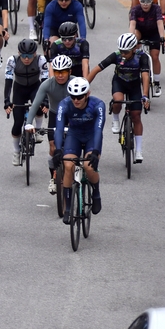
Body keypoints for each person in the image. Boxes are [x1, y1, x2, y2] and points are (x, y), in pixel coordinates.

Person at [87, 33, 150, 162]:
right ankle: (115, 118)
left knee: (136, 115)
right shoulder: (116, 56)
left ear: (134, 49)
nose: (122, 54)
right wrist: (84, 87)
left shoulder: (141, 57)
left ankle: (138, 150)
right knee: (117, 100)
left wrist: (145, 95)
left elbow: (145, 76)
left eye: (126, 52)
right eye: (121, 51)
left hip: (134, 85)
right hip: (119, 82)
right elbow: (96, 69)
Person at [54, 77, 104, 223]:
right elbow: (58, 129)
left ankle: (96, 192)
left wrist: (95, 151)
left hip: (91, 137)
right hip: (74, 135)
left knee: (89, 166)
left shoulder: (97, 105)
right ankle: (68, 208)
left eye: (80, 97)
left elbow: (98, 130)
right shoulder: (64, 105)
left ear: (87, 94)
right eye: (73, 97)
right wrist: (58, 150)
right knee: (68, 165)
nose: (76, 100)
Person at [24, 54, 73, 194]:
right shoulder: (47, 84)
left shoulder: (76, 82)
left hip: (72, 116)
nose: (60, 75)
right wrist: (28, 123)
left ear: (70, 71)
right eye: (57, 72)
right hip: (55, 115)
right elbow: (35, 105)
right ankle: (54, 177)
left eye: (63, 72)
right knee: (53, 147)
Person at [3, 39, 48, 166]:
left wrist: (45, 100)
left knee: (38, 105)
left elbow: (45, 81)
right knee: (17, 122)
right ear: (18, 53)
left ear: (34, 54)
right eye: (23, 56)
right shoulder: (13, 60)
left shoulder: (41, 60)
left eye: (29, 56)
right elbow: (8, 81)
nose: (26, 59)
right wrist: (7, 100)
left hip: (35, 87)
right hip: (19, 89)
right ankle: (16, 152)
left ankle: (38, 129)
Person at [129, 0, 165, 96]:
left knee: (154, 56)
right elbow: (132, 24)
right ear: (139, 0)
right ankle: (134, 71)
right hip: (140, 32)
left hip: (153, 33)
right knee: (134, 39)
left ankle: (157, 83)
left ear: (152, 1)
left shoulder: (156, 8)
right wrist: (131, 38)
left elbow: (160, 23)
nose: (145, 4)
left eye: (148, 1)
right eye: (143, 1)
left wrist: (162, 37)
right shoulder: (135, 10)